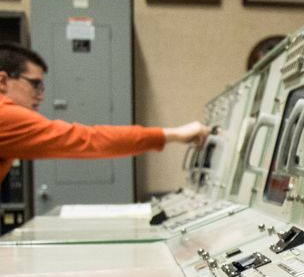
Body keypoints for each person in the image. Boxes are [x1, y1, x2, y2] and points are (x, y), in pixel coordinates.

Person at [0, 43, 210, 183]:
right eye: (35, 84)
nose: (40, 96)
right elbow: (88, 140)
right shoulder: (5, 116)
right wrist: (172, 134)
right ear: (2, 81)